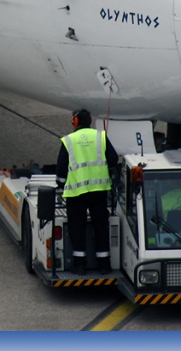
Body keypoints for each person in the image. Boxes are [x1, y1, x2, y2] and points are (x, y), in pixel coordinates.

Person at [56, 109, 120, 276]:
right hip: (99, 190)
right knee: (100, 226)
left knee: (77, 228)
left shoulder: (69, 140)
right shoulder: (100, 137)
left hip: (76, 193)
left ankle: (79, 265)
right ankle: (104, 265)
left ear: (75, 122)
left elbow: (61, 170)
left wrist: (61, 185)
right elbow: (113, 159)